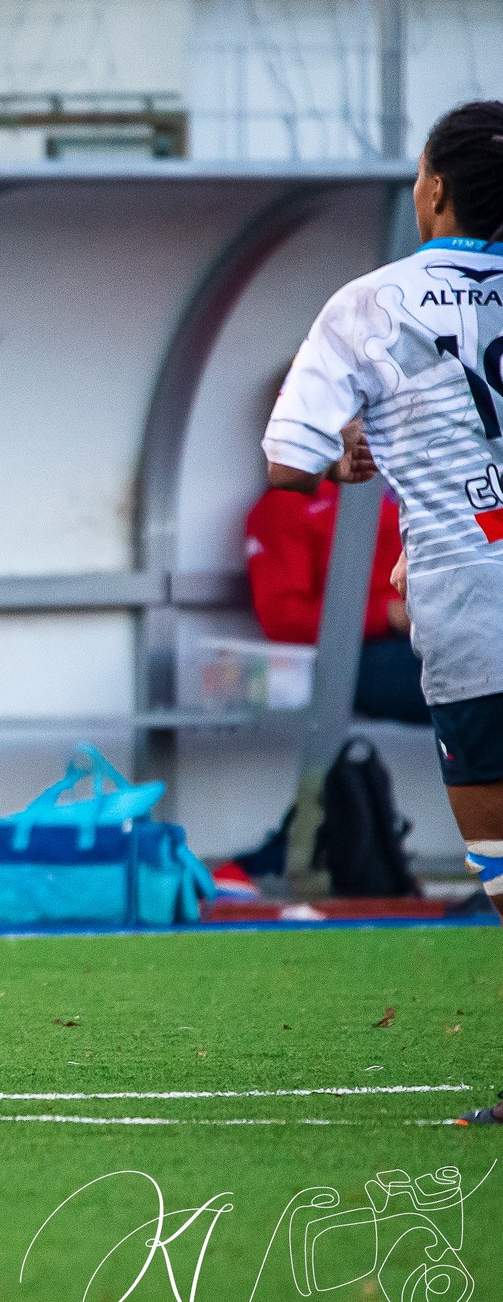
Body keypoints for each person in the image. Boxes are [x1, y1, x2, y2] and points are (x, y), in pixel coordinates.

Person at [261, 100, 503, 1126]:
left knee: (495, 853)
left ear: (434, 190)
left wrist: (359, 447)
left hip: (474, 607)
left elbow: (288, 464)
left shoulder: (368, 304)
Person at [245, 404, 426, 723]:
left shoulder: (391, 494)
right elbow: (284, 619)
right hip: (358, 658)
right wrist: (387, 613)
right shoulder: (285, 506)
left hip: (431, 635)